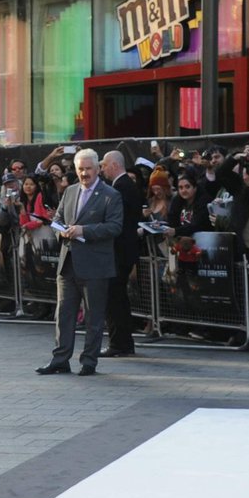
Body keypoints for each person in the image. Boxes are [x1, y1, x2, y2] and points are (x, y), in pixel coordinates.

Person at [37, 148, 122, 377]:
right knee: (63, 314)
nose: (84, 173)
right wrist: (61, 232)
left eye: (88, 169)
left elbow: (115, 227)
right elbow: (57, 219)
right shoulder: (70, 191)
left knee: (94, 316)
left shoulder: (110, 195)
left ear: (97, 169)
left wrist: (85, 230)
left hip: (95, 266)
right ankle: (60, 359)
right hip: (68, 263)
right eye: (80, 169)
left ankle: (89, 361)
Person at [100, 151, 143, 357]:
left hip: (119, 252)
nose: (102, 170)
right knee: (118, 298)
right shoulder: (125, 186)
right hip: (123, 251)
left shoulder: (121, 188)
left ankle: (119, 343)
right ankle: (123, 342)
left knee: (114, 298)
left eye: (104, 165)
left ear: (114, 165)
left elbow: (118, 222)